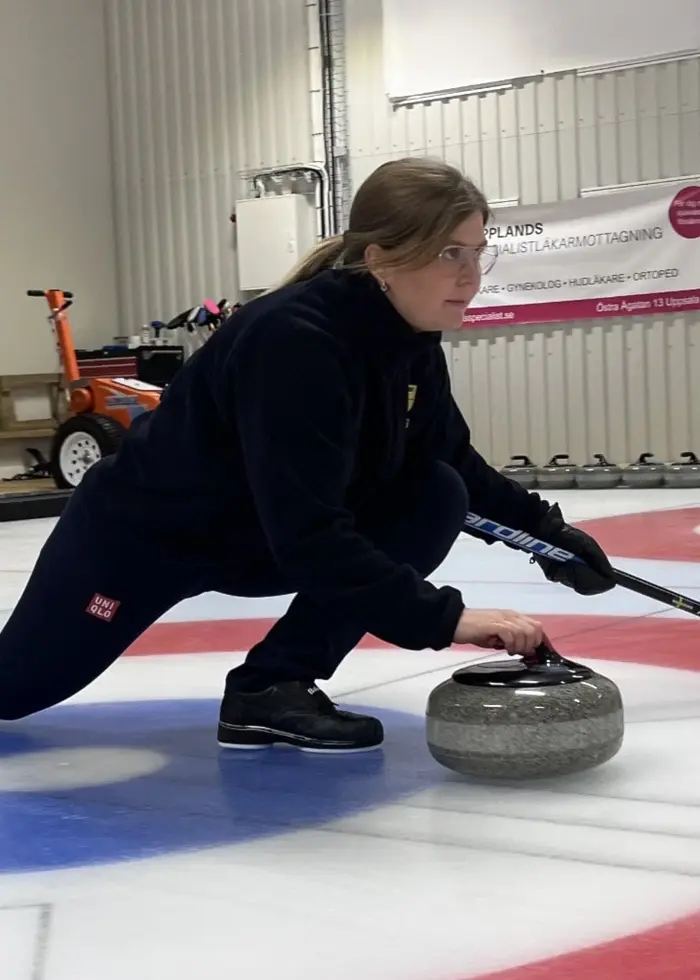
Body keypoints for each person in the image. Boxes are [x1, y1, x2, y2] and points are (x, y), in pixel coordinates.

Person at [0, 157, 615, 752]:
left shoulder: (412, 339)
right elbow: (309, 532)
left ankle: (272, 687)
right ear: (381, 259)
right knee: (13, 689)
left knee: (434, 492)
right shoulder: (295, 342)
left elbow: (451, 459)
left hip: (252, 538)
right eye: (449, 252)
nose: (470, 275)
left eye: (477, 252)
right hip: (143, 543)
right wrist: (444, 619)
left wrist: (549, 537)